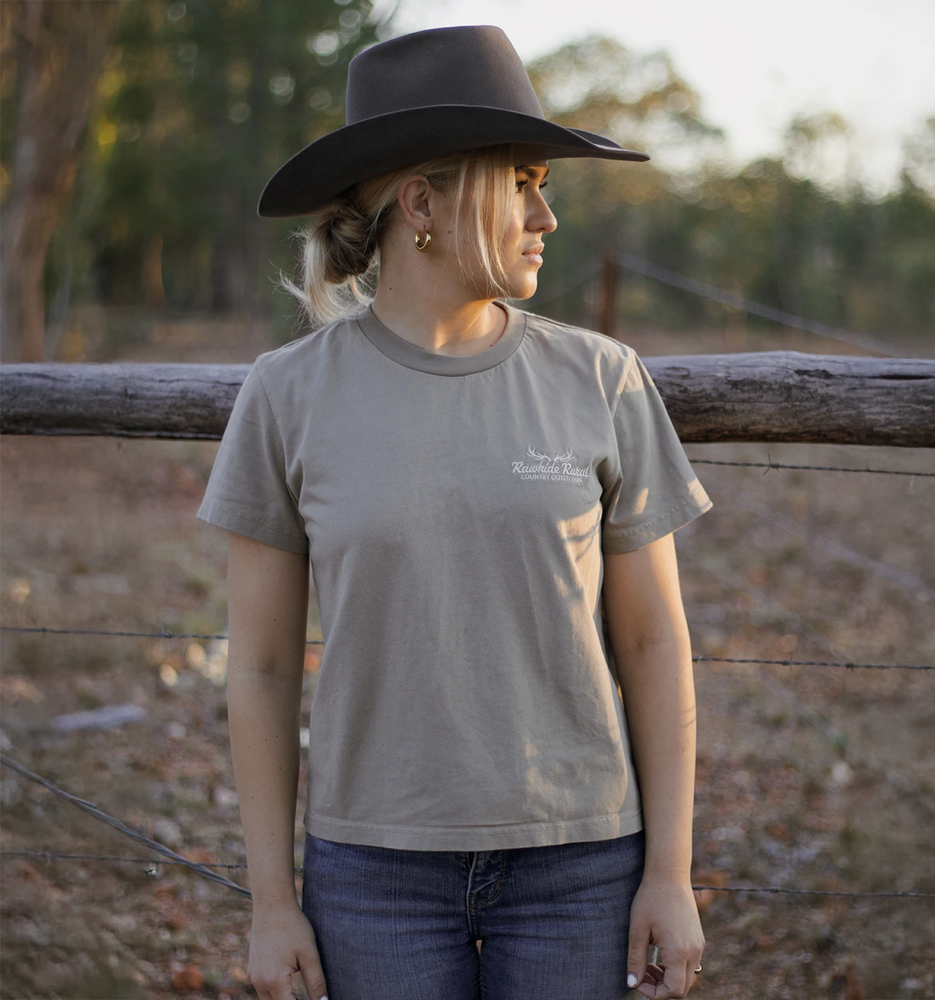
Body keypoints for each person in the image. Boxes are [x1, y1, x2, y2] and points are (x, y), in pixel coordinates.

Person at [197, 24, 712, 1000]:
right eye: (518, 180)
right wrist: (271, 902)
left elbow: (654, 644)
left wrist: (668, 872)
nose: (544, 215)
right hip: (371, 871)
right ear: (420, 203)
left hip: (582, 862)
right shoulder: (285, 395)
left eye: (542, 183)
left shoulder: (602, 380)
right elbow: (260, 669)